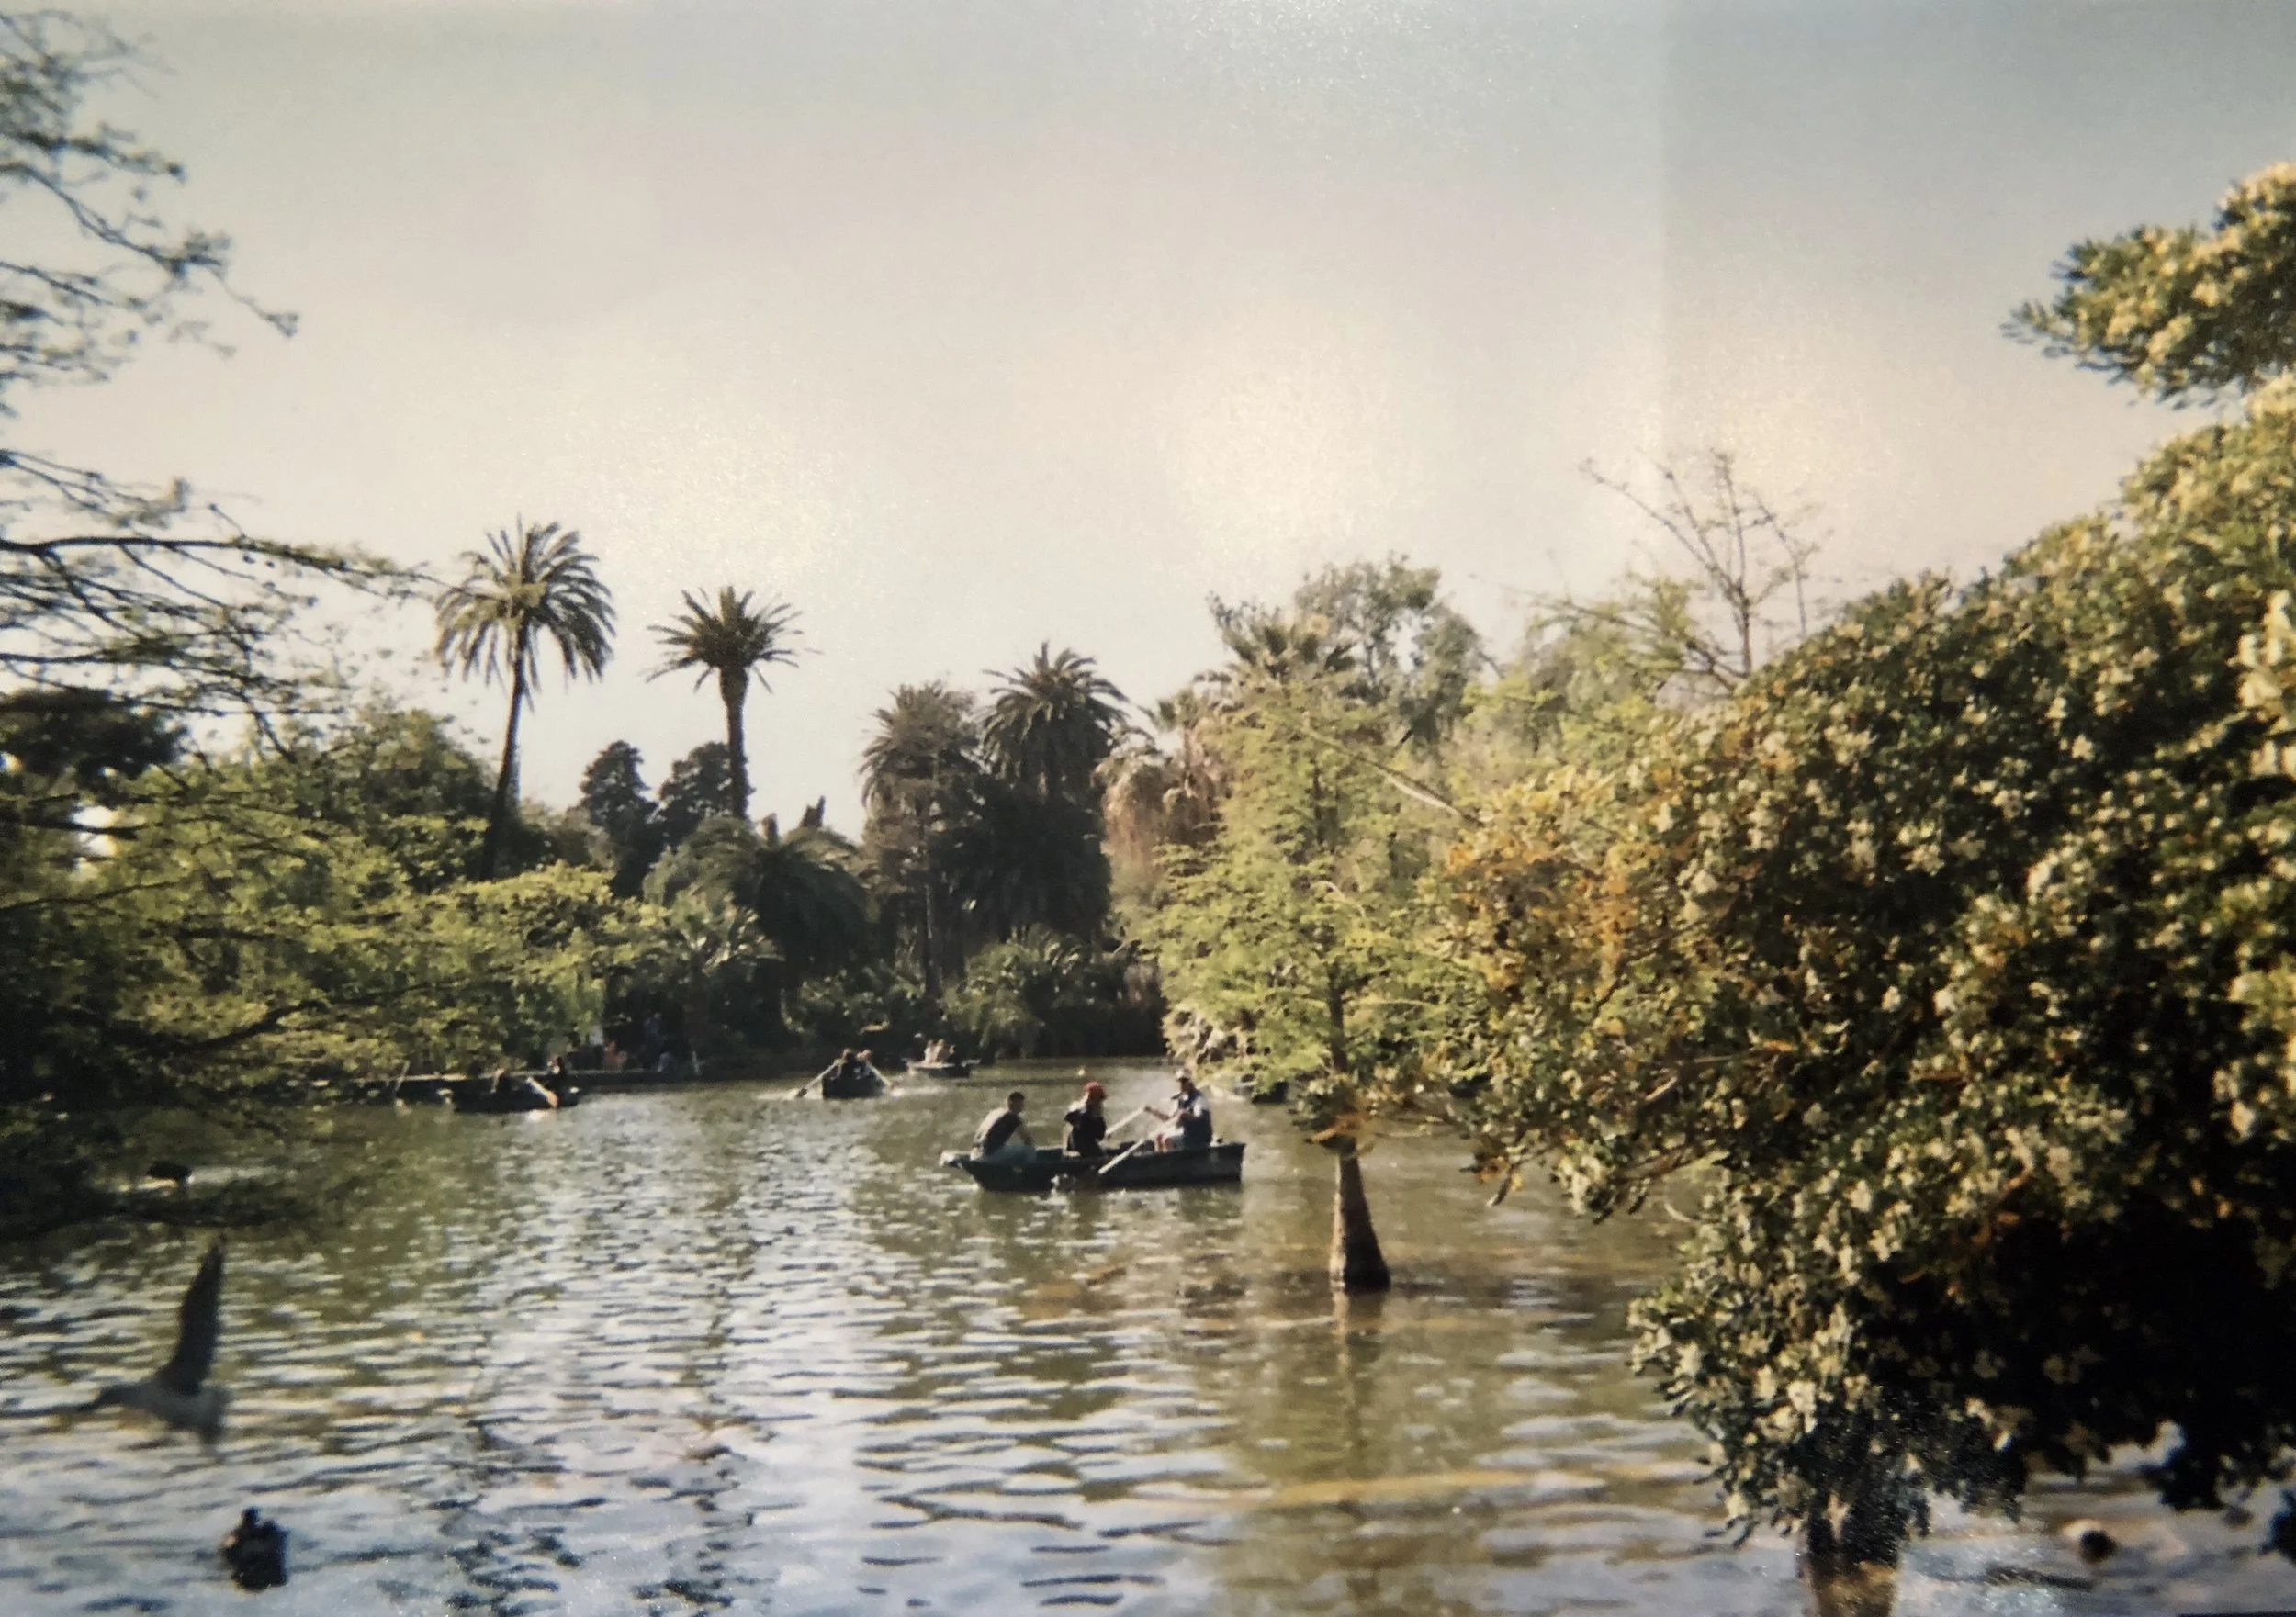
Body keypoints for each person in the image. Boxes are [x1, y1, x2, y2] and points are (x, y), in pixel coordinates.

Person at [1146, 1072, 1213, 1151]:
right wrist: (1152, 1111)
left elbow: (1199, 1117)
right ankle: (1159, 1161)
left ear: (1190, 1083)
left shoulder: (1199, 1099)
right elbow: (1169, 1119)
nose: (1181, 1084)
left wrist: (1185, 1114)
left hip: (1199, 1136)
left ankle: (1173, 1162)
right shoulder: (1181, 1099)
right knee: (1158, 1137)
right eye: (1179, 1082)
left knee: (1167, 1140)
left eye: (1184, 1081)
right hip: (1186, 1133)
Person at [974, 1090, 1034, 1161]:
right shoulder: (1012, 1117)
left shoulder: (994, 1113)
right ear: (1017, 1103)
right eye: (1022, 1104)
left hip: (975, 1155)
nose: (1023, 1107)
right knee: (1028, 1148)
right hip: (989, 1157)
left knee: (1007, 1146)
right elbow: (1027, 1139)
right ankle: (1029, 1169)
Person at [1064, 1081, 1109, 1157]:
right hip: (1084, 1149)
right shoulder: (1086, 1114)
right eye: (1099, 1100)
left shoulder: (1076, 1109)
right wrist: (1098, 1118)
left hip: (1076, 1147)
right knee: (1103, 1157)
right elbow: (1098, 1135)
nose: (1100, 1103)